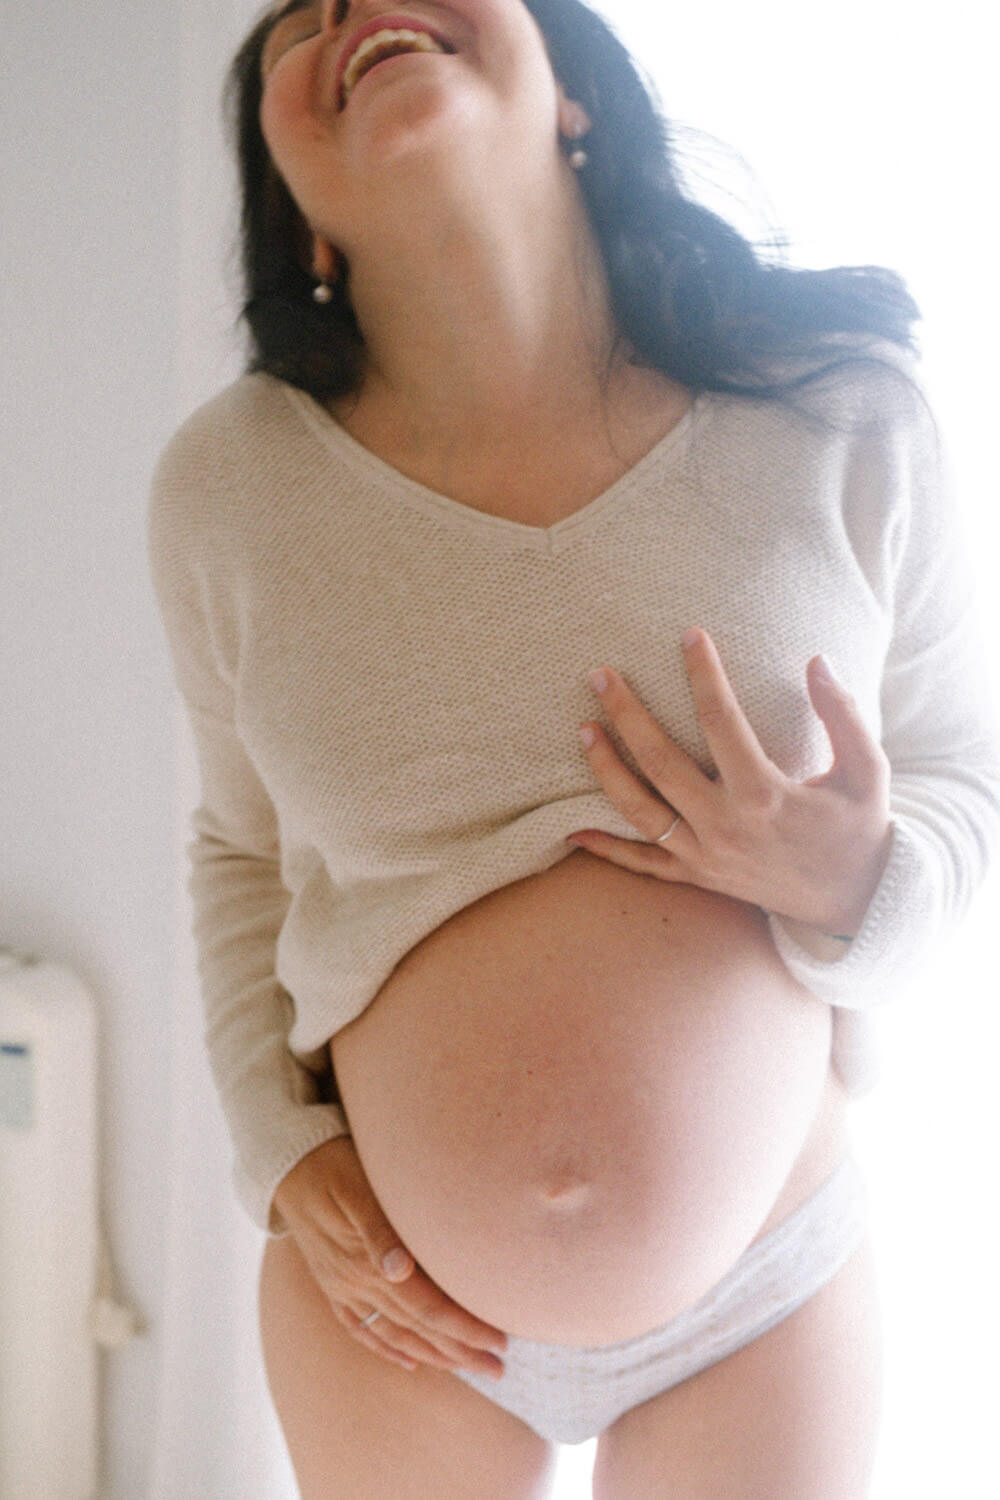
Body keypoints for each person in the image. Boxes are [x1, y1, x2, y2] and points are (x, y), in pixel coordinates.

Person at [147, 1, 1000, 1495]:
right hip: (395, 1320)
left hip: (762, 1301)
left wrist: (861, 877)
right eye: (300, 22)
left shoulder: (844, 413)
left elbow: (965, 788)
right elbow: (238, 855)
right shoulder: (229, 489)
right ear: (304, 230)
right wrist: (276, 1155)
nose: (349, 10)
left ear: (575, 97)